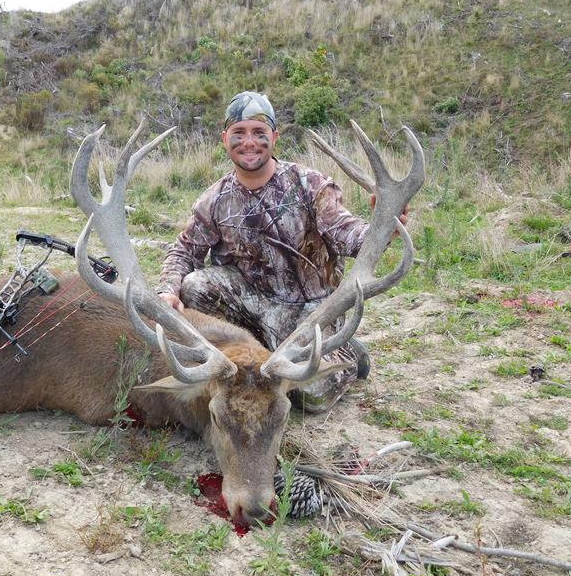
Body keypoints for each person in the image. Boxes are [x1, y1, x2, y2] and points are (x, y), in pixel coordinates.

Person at [157, 91, 407, 413]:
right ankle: (256, 354)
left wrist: (382, 225)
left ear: (274, 136)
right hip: (251, 308)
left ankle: (349, 355)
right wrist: (168, 290)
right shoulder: (215, 199)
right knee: (194, 286)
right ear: (225, 139)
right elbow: (184, 250)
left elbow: (350, 236)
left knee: (311, 394)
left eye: (259, 133)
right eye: (239, 133)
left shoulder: (310, 184)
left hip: (309, 310)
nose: (249, 142)